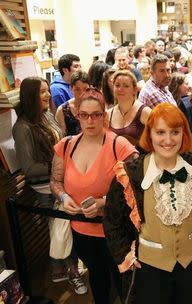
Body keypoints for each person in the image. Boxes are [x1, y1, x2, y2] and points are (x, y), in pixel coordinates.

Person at [103, 103, 192, 304]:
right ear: (149, 134)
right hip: (150, 268)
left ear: (183, 134)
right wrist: (125, 255)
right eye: (160, 132)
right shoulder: (131, 172)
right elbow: (112, 221)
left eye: (175, 132)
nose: (168, 140)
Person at [50, 88, 138, 303]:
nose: (90, 121)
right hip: (81, 229)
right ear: (77, 115)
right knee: (97, 277)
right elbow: (55, 181)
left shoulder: (120, 145)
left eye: (96, 114)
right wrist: (63, 198)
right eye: (84, 115)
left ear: (104, 116)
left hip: (115, 232)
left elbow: (137, 185)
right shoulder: (67, 145)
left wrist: (104, 202)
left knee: (123, 280)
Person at [13, 76, 87, 294]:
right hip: (46, 187)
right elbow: (29, 168)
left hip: (61, 180)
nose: (48, 95)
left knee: (63, 230)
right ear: (30, 96)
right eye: (42, 92)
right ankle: (70, 271)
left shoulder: (46, 115)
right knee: (61, 230)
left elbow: (61, 142)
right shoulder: (22, 127)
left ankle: (59, 270)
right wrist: (57, 166)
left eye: (47, 91)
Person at [107, 70, 151, 146]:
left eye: (126, 86)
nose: (120, 89)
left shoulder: (145, 111)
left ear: (134, 90)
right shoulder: (108, 113)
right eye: (117, 85)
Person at [55, 71, 89, 136]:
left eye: (86, 89)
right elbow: (61, 138)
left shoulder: (95, 106)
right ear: (71, 88)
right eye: (77, 89)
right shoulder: (62, 110)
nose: (82, 93)